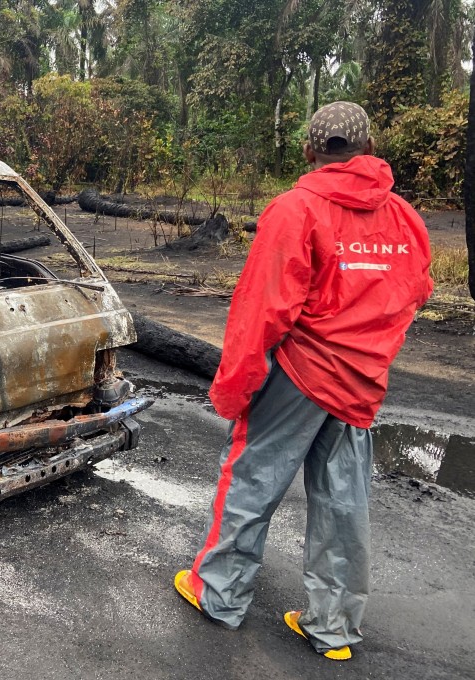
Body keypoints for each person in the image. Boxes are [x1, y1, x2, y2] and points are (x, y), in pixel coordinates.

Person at [173, 101, 434, 660]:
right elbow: (416, 291)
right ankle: (333, 629)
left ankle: (219, 595)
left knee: (250, 479)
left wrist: (235, 387)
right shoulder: (405, 218)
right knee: (344, 501)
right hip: (362, 380)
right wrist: (369, 346)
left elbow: (261, 310)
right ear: (366, 148)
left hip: (298, 372)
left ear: (311, 150)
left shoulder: (295, 210)